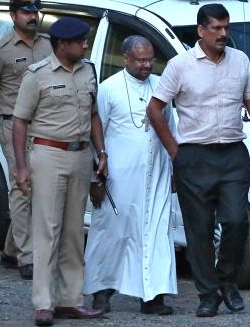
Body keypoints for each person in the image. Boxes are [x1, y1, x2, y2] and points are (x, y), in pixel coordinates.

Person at [146, 3, 250, 318]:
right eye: (216, 28)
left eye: (226, 27)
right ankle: (208, 295)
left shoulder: (240, 61)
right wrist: (175, 151)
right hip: (194, 155)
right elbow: (154, 109)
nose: (223, 34)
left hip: (232, 154)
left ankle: (227, 281)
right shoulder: (180, 66)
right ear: (201, 31)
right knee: (199, 230)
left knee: (235, 222)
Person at [12, 17, 107, 326]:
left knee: (73, 232)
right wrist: (22, 168)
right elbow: (20, 122)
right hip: (48, 153)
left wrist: (101, 152)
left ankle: (71, 299)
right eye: (80, 41)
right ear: (62, 45)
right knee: (46, 230)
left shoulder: (88, 70)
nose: (85, 45)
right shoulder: (37, 75)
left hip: (80, 156)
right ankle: (44, 302)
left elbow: (93, 116)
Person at [83, 35, 177, 315]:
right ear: (126, 59)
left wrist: (173, 170)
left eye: (150, 59)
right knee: (111, 234)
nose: (147, 65)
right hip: (119, 178)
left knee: (156, 234)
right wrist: (97, 176)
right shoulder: (109, 88)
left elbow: (170, 127)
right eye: (140, 60)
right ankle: (102, 292)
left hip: (156, 175)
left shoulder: (161, 86)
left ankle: (152, 297)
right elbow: (96, 128)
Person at [0, 0, 51, 280]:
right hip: (12, 126)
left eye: (35, 10)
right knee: (21, 187)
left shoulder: (48, 44)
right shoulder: (1, 49)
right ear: (13, 15)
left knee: (35, 187)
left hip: (42, 124)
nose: (32, 15)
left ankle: (11, 250)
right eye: (26, 11)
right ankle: (27, 257)